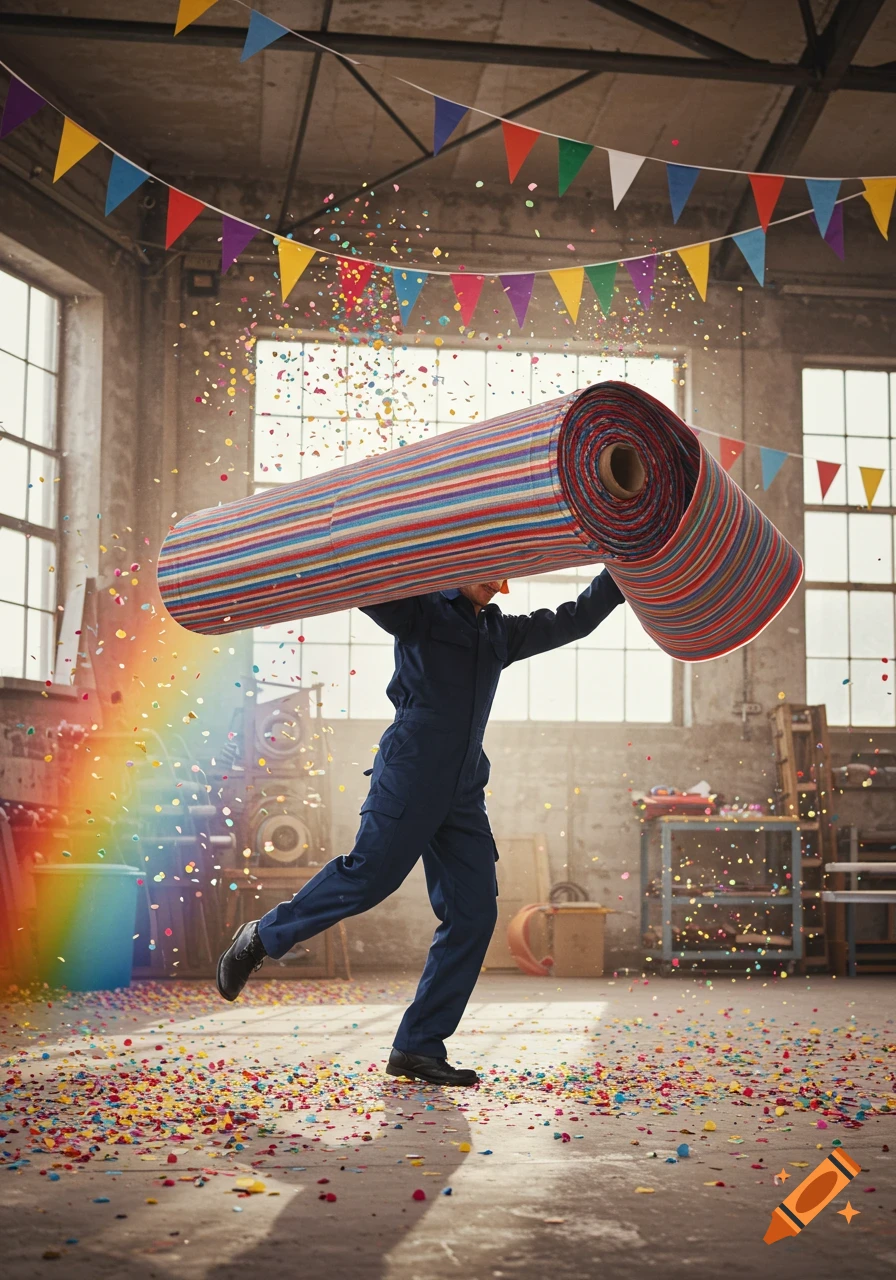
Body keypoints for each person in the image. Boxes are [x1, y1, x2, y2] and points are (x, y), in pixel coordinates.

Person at [216, 569, 625, 1085]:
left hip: (463, 790)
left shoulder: (500, 632)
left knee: (474, 912)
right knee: (369, 877)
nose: (492, 581)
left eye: (500, 572)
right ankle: (261, 936)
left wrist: (623, 569)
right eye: (482, 568)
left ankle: (418, 1045)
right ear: (459, 563)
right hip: (410, 773)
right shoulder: (419, 609)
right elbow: (362, 583)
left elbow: (577, 619)